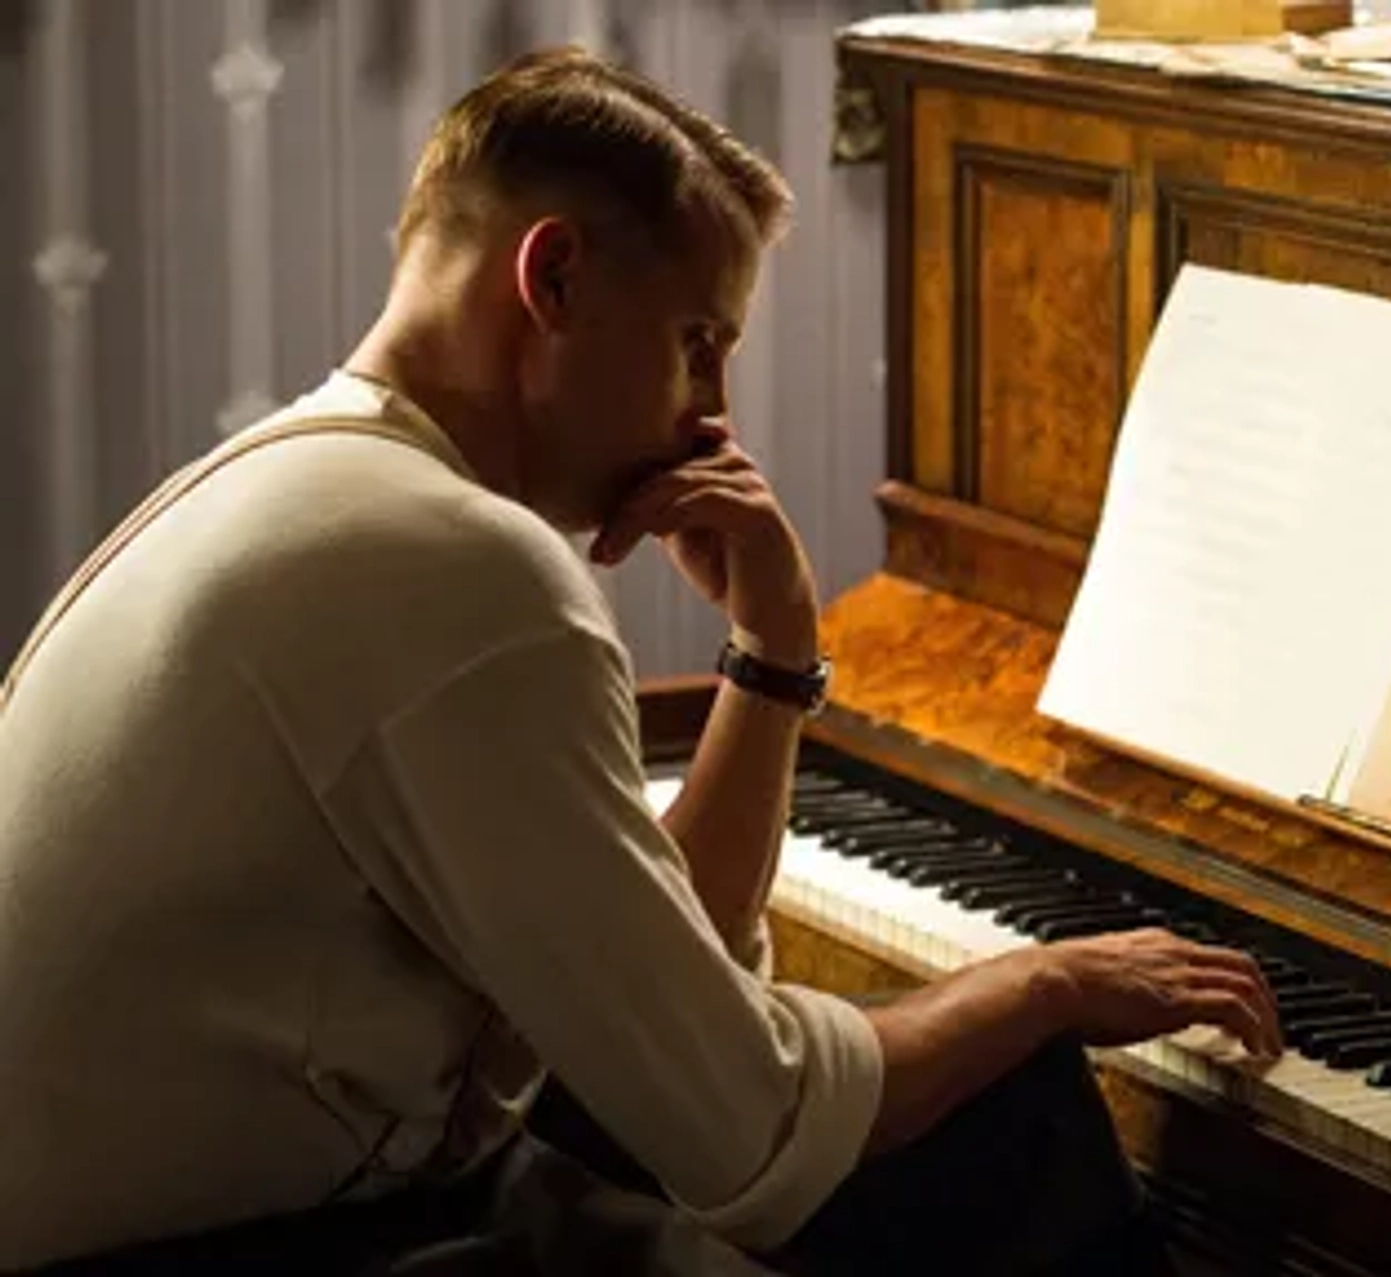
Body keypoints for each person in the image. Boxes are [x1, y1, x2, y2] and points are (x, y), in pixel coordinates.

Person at [0, 48, 1281, 1276]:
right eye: (697, 342)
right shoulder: (452, 564)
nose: (709, 415)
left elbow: (667, 991)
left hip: (219, 1225)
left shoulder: (318, 480)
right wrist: (1049, 977)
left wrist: (773, 657)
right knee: (1013, 1121)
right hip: (247, 1254)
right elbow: (756, 1133)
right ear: (550, 280)